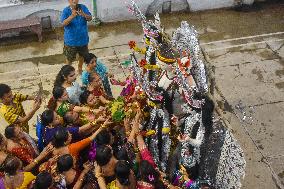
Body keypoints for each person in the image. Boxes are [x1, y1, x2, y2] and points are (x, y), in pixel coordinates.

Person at [61, 0, 92, 74]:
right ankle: (68, 72)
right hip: (71, 42)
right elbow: (63, 24)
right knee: (69, 59)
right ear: (69, 0)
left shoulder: (83, 7)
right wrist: (72, 16)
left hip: (83, 40)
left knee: (82, 56)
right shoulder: (66, 11)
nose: (74, 0)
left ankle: (80, 69)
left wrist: (84, 14)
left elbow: (90, 18)